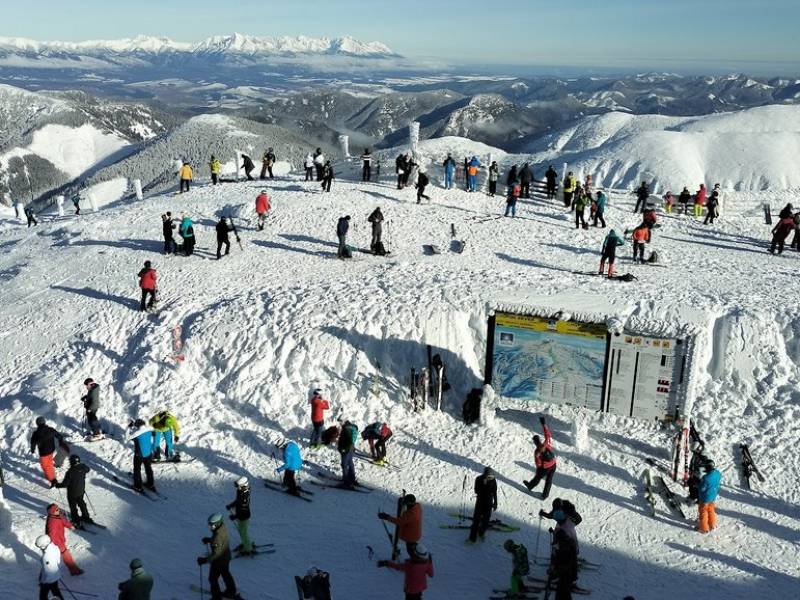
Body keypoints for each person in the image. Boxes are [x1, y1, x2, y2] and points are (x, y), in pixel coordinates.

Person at [197, 514, 241, 600]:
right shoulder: (222, 527)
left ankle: (216, 598)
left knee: (212, 578)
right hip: (226, 557)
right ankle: (231, 591)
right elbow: (220, 541)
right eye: (209, 524)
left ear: (217, 523)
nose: (210, 526)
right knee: (226, 574)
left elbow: (216, 553)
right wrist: (210, 540)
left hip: (219, 560)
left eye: (212, 524)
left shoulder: (217, 536)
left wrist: (204, 560)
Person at [524, 416, 557, 499]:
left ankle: (530, 486)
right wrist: (544, 424)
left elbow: (538, 464)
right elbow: (548, 435)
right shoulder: (546, 444)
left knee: (538, 477)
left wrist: (539, 470)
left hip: (546, 468)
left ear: (535, 443)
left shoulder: (537, 452)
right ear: (540, 440)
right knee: (549, 481)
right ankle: (545, 495)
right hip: (553, 464)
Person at [45, 503, 83, 575]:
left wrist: (70, 526)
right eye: (57, 509)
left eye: (58, 508)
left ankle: (72, 569)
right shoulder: (52, 521)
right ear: (53, 512)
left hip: (60, 539)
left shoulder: (58, 515)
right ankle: (74, 570)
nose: (58, 510)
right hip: (57, 541)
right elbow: (51, 534)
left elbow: (64, 521)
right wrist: (50, 544)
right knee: (66, 555)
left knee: (64, 554)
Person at [55, 455, 92, 528]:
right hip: (81, 490)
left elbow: (65, 484)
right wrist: (82, 466)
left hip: (72, 493)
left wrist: (57, 485)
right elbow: (88, 469)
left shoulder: (70, 472)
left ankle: (76, 519)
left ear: (71, 462)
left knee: (73, 506)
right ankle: (86, 516)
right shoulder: (83, 467)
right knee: (81, 502)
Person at [30, 417, 68, 486]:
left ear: (37, 424)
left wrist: (32, 450)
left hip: (43, 453)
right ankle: (51, 474)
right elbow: (59, 436)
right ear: (44, 422)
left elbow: (33, 443)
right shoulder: (50, 430)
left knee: (45, 466)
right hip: (51, 450)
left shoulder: (36, 433)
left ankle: (53, 480)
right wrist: (61, 441)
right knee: (49, 462)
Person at [467, 467, 497, 544]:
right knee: (476, 521)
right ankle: (472, 539)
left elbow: (494, 492)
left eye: (491, 476)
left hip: (489, 503)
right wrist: (483, 485)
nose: (490, 478)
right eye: (488, 476)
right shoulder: (478, 479)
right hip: (480, 502)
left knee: (486, 521)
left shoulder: (493, 481)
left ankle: (481, 533)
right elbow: (476, 491)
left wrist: (495, 503)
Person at [550, 526, 578, 600]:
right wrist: (553, 532)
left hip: (567, 575)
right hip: (570, 574)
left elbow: (564, 566)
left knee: (562, 594)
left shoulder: (565, 549)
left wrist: (554, 571)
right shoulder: (568, 542)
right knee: (564, 594)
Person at [226, 477, 253, 555]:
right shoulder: (241, 490)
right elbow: (237, 501)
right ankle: (246, 543)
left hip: (243, 516)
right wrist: (231, 505)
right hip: (240, 514)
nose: (236, 487)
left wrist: (235, 516)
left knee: (243, 532)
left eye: (238, 485)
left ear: (243, 485)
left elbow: (243, 509)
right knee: (241, 531)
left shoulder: (244, 495)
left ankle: (248, 548)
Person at [128, 419, 156, 493]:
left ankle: (138, 486)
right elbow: (154, 434)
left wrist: (129, 428)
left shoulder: (137, 433)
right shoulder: (149, 429)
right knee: (148, 468)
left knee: (137, 469)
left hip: (139, 455)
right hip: (149, 453)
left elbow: (127, 437)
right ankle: (151, 484)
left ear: (137, 426)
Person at [36, 534, 65, 600]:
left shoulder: (47, 556)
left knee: (43, 596)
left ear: (43, 546)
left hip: (49, 580)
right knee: (55, 591)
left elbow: (48, 572)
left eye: (40, 547)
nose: (40, 548)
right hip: (56, 575)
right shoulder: (54, 547)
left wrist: (43, 582)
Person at [697, 461, 722, 533]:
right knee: (711, 510)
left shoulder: (705, 478)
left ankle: (704, 528)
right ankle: (712, 525)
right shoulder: (717, 473)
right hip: (713, 496)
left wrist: (698, 484)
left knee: (703, 512)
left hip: (705, 498)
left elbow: (702, 488)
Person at [337, 420, 358, 487]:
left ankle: (346, 482)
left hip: (346, 449)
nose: (339, 424)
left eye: (340, 422)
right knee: (350, 463)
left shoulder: (346, 429)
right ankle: (352, 479)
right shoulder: (351, 427)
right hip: (351, 448)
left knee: (344, 464)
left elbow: (348, 440)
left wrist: (343, 449)